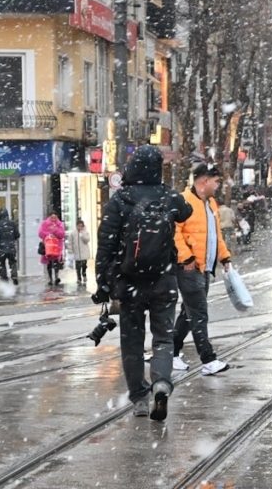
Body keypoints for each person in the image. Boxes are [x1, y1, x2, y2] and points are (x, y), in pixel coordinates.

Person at [93, 145, 193, 420]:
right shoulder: (168, 196)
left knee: (132, 342)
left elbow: (106, 244)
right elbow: (185, 211)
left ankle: (139, 397)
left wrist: (102, 282)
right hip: (164, 278)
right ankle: (161, 383)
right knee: (163, 338)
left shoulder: (120, 200)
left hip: (129, 282)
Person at [172, 163, 233, 375]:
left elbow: (216, 235)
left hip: (205, 267)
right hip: (189, 268)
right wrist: (186, 258)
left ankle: (171, 352)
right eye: (216, 182)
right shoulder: (183, 201)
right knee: (198, 313)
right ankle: (208, 359)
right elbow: (174, 232)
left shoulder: (211, 203)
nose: (218, 186)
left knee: (189, 312)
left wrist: (224, 257)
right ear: (204, 181)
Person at [0, 207, 21, 285]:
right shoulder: (12, 223)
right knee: (12, 262)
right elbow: (17, 235)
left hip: (1, 248)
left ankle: (4, 280)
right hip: (11, 247)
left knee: (1, 264)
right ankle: (14, 275)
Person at [39, 213, 66, 285]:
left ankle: (56, 277)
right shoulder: (45, 223)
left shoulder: (59, 224)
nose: (53, 219)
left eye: (55, 217)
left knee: (56, 261)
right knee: (49, 262)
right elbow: (41, 233)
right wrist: (49, 235)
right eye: (52, 217)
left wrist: (55, 230)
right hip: (48, 246)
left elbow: (62, 234)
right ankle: (50, 278)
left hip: (56, 246)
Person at [69, 219, 92, 285]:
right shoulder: (73, 233)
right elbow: (70, 242)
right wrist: (70, 250)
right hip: (76, 252)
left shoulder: (85, 232)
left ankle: (84, 275)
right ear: (76, 226)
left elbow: (87, 240)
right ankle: (79, 278)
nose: (80, 227)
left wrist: (82, 235)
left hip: (84, 252)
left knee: (84, 265)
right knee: (78, 267)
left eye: (81, 226)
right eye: (79, 226)